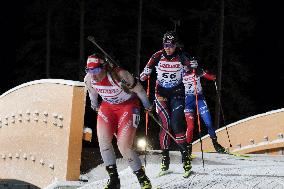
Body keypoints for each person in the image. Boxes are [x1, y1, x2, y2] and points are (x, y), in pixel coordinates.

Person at [84, 53, 152, 189]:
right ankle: (114, 180)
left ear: (104, 67)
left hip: (128, 106)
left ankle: (142, 179)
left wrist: (147, 105)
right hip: (108, 107)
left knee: (123, 145)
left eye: (96, 70)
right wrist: (95, 105)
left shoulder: (120, 75)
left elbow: (139, 90)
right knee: (103, 142)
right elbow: (93, 93)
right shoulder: (89, 79)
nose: (93, 75)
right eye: (90, 70)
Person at [140, 31, 194, 177]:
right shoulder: (157, 56)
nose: (168, 48)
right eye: (165, 45)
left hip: (177, 93)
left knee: (177, 123)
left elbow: (194, 71)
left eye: (170, 45)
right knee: (165, 125)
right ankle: (165, 159)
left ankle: (185, 157)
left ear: (175, 45)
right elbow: (144, 76)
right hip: (161, 93)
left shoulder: (182, 56)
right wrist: (143, 75)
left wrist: (192, 67)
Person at [182, 59, 226, 154]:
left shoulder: (197, 71)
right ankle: (188, 148)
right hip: (188, 101)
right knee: (190, 126)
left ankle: (215, 144)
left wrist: (212, 76)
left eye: (189, 66)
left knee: (209, 122)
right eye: (186, 66)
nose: (187, 68)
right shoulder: (181, 73)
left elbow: (210, 77)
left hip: (199, 99)